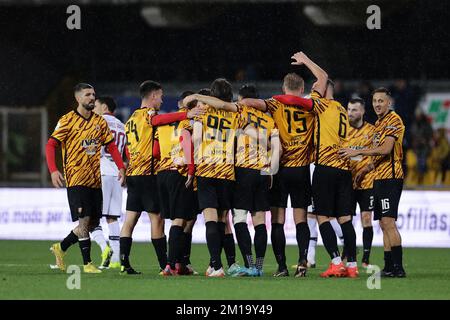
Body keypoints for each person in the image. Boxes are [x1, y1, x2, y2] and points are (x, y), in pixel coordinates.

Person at [274, 51, 359, 278]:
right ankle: (352, 266)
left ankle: (335, 262)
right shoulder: (341, 109)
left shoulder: (319, 104)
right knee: (345, 219)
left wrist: (306, 60)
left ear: (321, 90)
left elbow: (320, 77)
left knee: (321, 217)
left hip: (324, 167)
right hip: (344, 168)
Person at [186, 84, 280, 277]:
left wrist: (191, 163)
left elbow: (195, 138)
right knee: (256, 220)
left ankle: (223, 265)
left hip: (224, 168)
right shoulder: (261, 119)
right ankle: (258, 267)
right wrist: (270, 153)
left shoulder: (210, 110)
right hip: (247, 171)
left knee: (227, 219)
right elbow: (258, 136)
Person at [119, 80, 204, 275]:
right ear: (154, 96)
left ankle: (124, 263)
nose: (162, 100)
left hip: (133, 173)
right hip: (148, 175)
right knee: (157, 219)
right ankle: (163, 264)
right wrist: (186, 114)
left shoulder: (131, 119)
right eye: (161, 96)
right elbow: (156, 130)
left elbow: (128, 149)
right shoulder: (151, 114)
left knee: (130, 219)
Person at [240, 72, 315, 278]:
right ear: (301, 90)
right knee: (301, 220)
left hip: (279, 168)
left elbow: (246, 101)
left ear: (283, 88)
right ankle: (302, 262)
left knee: (277, 221)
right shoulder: (310, 107)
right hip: (301, 169)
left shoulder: (275, 104)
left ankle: (281, 266)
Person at [46, 83, 126, 273]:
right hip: (76, 179)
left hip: (95, 180)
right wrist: (53, 170)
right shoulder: (67, 120)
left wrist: (121, 167)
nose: (92, 97)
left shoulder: (99, 122)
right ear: (78, 98)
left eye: (93, 94)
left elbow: (112, 146)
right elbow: (51, 145)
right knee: (83, 221)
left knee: (91, 223)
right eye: (88, 94)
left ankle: (61, 247)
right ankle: (87, 263)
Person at [339, 87, 406, 278]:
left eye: (381, 101)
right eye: (375, 101)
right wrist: (365, 171)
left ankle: (398, 267)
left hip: (391, 178)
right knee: (383, 224)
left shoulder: (394, 120)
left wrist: (357, 152)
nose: (377, 104)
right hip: (378, 178)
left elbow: (385, 150)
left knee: (389, 223)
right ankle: (388, 266)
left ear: (389, 103)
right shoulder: (379, 123)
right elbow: (377, 158)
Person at [190, 78, 244, 277]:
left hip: (206, 169)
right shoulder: (235, 114)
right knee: (224, 219)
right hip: (227, 170)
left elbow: (196, 139)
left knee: (210, 219)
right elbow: (239, 139)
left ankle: (216, 265)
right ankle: (229, 265)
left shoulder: (202, 112)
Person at [154, 91, 201, 276]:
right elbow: (186, 142)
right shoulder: (188, 123)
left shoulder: (164, 123)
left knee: (182, 219)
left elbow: (155, 151)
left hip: (163, 173)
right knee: (181, 220)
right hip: (179, 173)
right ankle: (171, 265)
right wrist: (190, 169)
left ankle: (181, 263)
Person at [90, 96, 127, 269]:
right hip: (117, 174)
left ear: (104, 107)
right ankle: (115, 260)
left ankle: (105, 249)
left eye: (95, 105)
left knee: (91, 219)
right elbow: (127, 152)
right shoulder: (121, 125)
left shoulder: (98, 121)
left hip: (102, 171)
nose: (93, 108)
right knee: (112, 217)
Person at [346, 98, 376, 267]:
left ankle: (365, 258)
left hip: (367, 182)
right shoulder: (343, 131)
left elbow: (376, 156)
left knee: (366, 218)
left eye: (355, 110)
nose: (351, 113)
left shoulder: (371, 131)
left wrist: (365, 167)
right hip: (348, 183)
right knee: (346, 219)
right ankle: (349, 254)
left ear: (363, 111)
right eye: (349, 109)